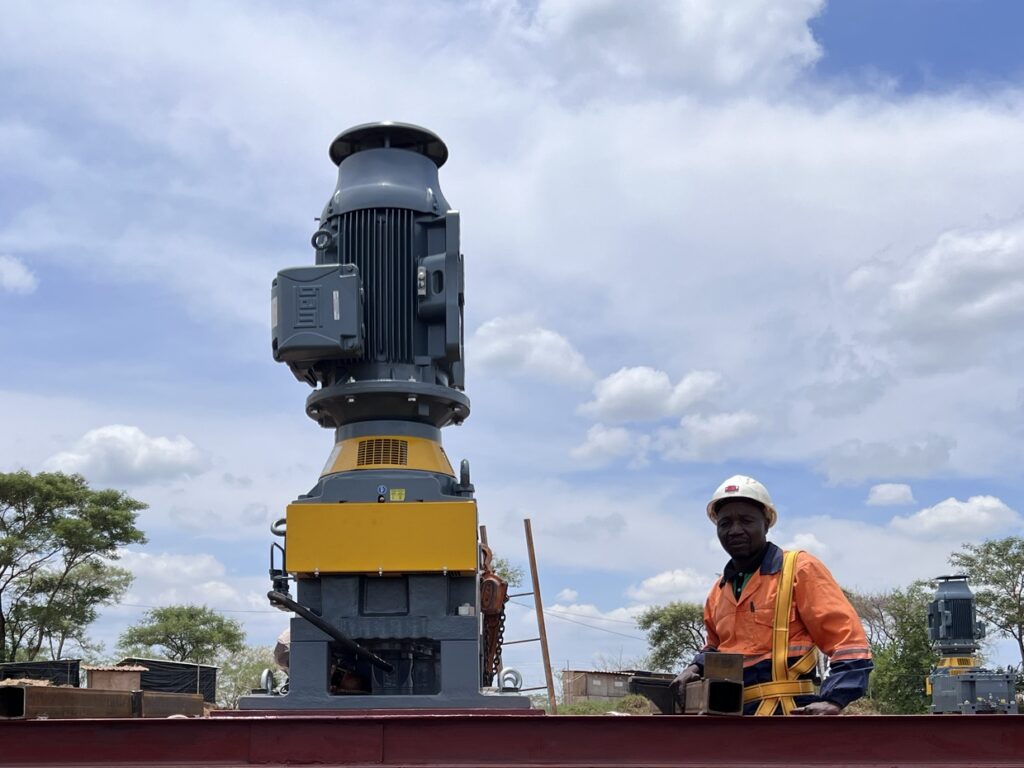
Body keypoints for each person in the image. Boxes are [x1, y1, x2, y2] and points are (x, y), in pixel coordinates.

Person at [671, 475, 872, 716]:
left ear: (766, 523)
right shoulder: (719, 591)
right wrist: (696, 665)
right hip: (731, 718)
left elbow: (848, 641)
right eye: (725, 523)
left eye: (745, 520)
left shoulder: (799, 569)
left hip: (788, 716)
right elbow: (717, 648)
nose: (735, 530)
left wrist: (835, 698)